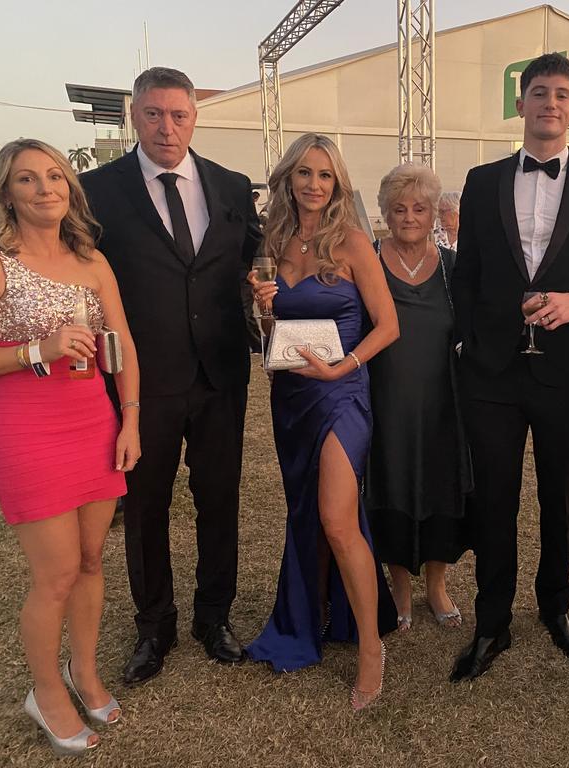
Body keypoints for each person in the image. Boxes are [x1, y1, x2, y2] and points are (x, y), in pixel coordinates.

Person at [0, 139, 141, 755]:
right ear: (6, 191)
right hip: (27, 427)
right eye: (27, 179)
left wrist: (130, 420)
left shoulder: (92, 261)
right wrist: (38, 350)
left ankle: (84, 672)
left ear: (70, 189)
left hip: (95, 421)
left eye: (55, 176)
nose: (45, 187)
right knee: (54, 574)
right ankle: (46, 690)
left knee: (89, 561)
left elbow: (123, 345)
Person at [449, 52, 569, 682]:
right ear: (520, 104)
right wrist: (472, 340)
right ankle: (490, 621)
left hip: (566, 370)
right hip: (491, 374)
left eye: (561, 94)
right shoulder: (480, 180)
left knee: (560, 496)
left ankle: (556, 607)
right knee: (494, 499)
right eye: (539, 93)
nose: (550, 103)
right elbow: (466, 271)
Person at [80, 66, 261, 685]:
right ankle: (154, 625)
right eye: (154, 114)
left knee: (219, 499)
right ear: (135, 115)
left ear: (194, 117)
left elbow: (250, 264)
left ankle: (215, 617)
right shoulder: (95, 191)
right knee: (146, 504)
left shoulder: (233, 187)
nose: (167, 126)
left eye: (178, 114)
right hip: (139, 380)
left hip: (219, 374)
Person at [246, 133, 399, 711]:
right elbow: (271, 336)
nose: (313, 184)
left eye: (325, 175)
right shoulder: (273, 241)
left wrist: (344, 369)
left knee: (338, 521)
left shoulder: (355, 243)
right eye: (304, 173)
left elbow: (388, 326)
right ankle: (318, 615)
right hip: (290, 398)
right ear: (288, 179)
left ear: (338, 185)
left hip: (342, 396)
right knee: (307, 513)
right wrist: (263, 311)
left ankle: (368, 649)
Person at [365, 163, 472, 631]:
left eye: (420, 208)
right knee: (391, 484)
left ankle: (436, 585)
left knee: (439, 487)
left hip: (443, 402)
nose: (409, 216)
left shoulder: (452, 268)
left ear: (434, 213)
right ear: (385, 213)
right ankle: (400, 590)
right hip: (384, 399)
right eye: (399, 208)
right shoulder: (366, 260)